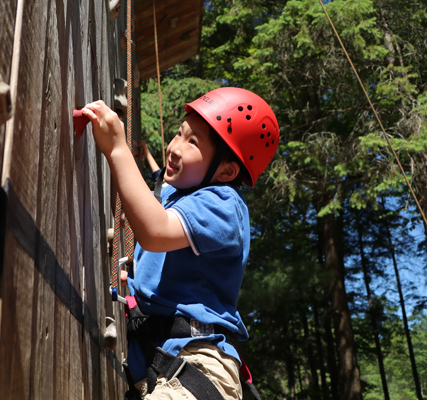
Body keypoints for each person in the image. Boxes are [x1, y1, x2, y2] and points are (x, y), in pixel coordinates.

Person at [82, 87, 279, 400]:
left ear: (227, 170)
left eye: (193, 142)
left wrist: (118, 149)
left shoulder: (224, 205)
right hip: (161, 366)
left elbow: (155, 231)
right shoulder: (177, 197)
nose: (174, 147)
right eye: (179, 133)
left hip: (197, 364)